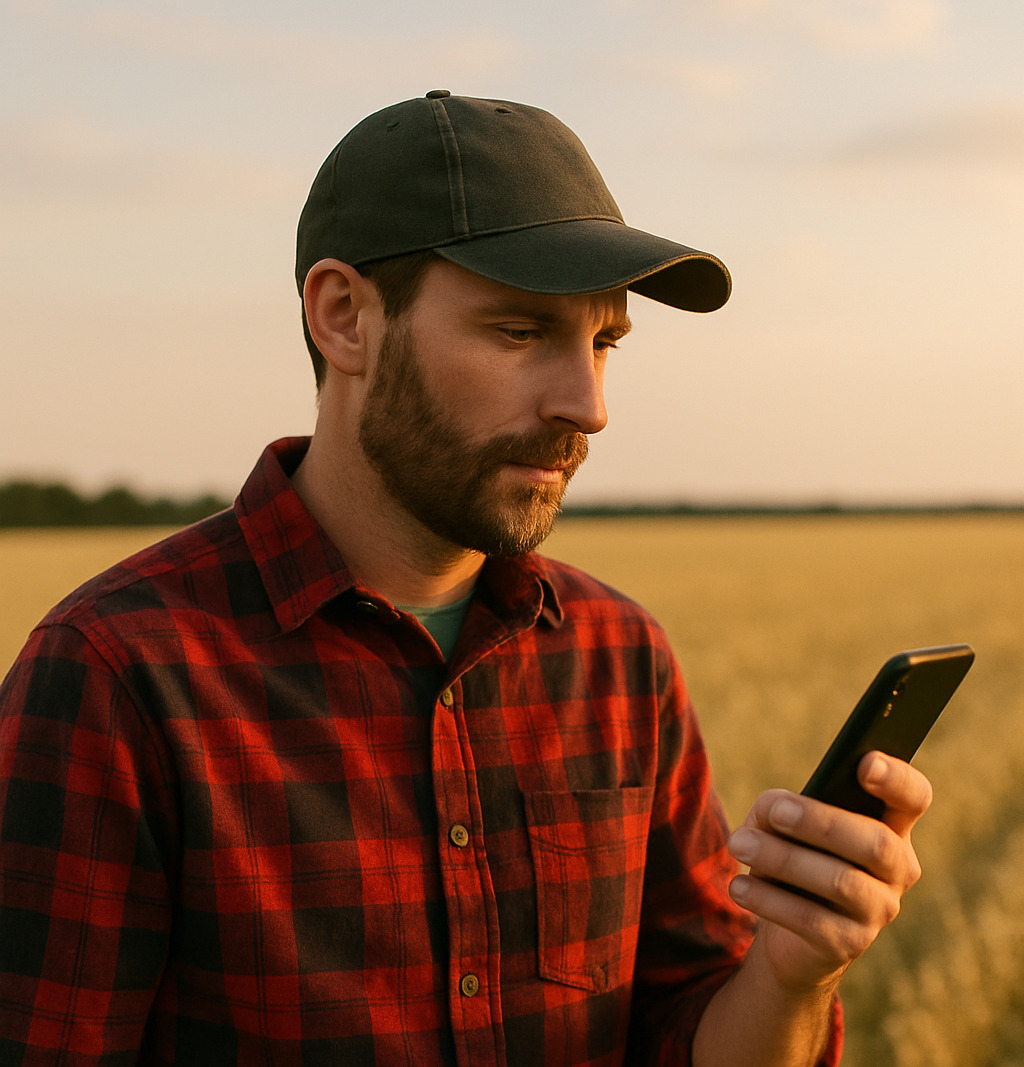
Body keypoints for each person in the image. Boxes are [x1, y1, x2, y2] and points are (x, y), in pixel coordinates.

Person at [0, 91, 929, 1066]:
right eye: (521, 331)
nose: (588, 404)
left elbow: (684, 1035)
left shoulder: (620, 657)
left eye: (603, 341)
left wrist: (788, 971)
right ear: (344, 317)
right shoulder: (117, 676)